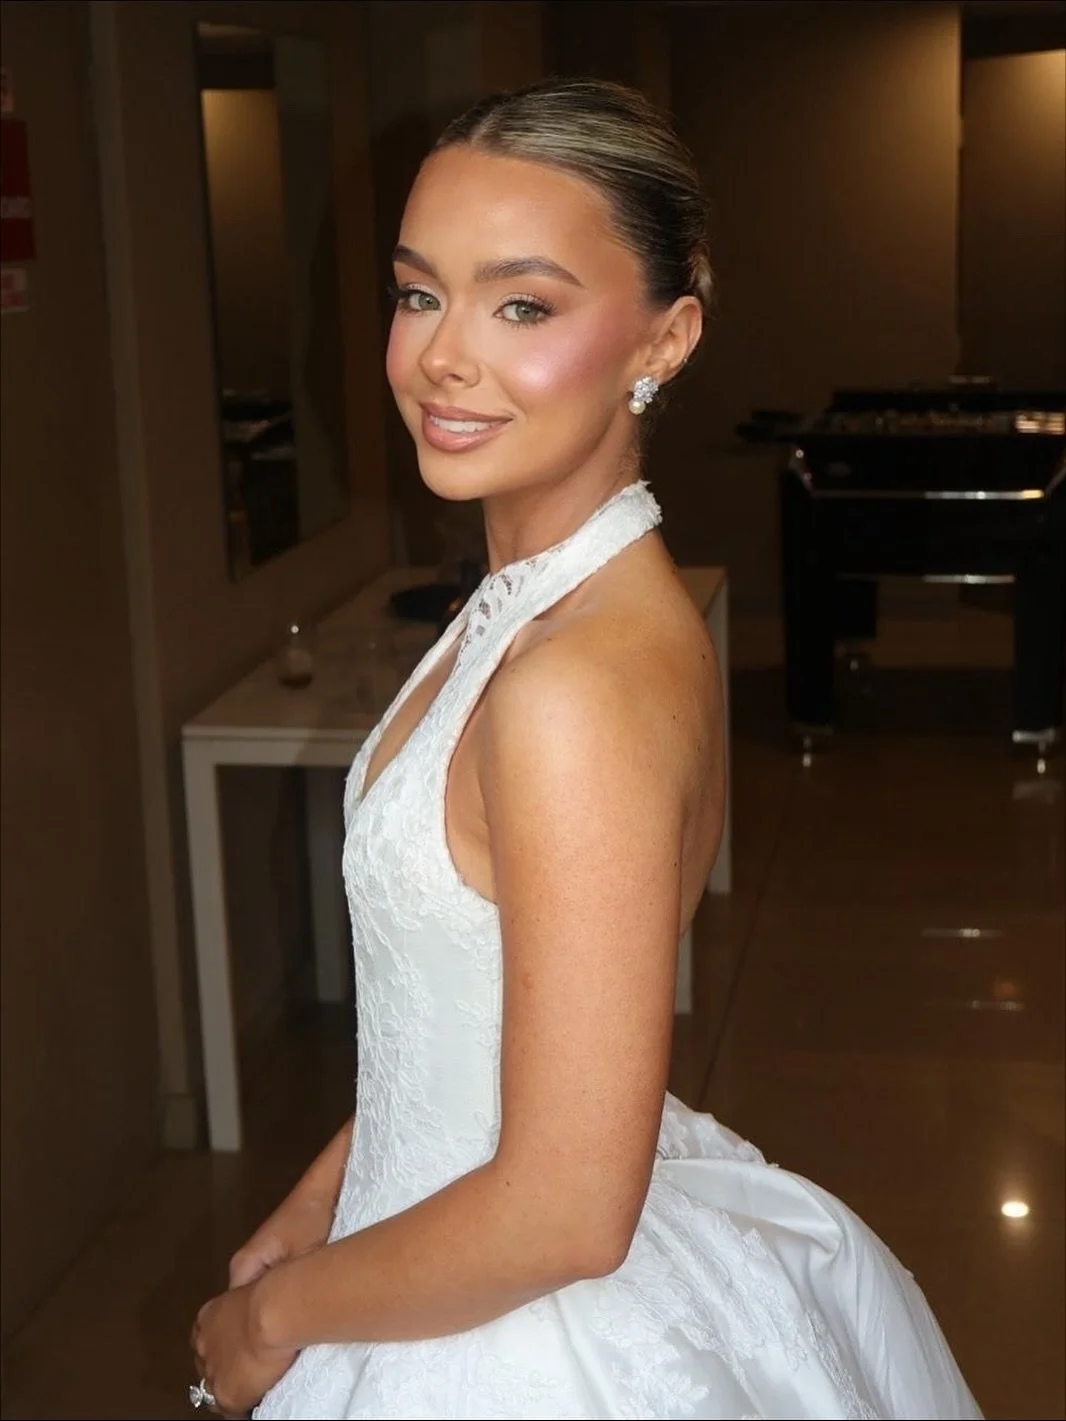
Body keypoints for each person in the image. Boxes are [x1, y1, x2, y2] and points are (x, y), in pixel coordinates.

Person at [189, 78, 982, 1421]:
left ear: (661, 340)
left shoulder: (573, 689)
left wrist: (261, 1322)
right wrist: (313, 1205)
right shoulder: (561, 603)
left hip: (509, 1333)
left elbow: (561, 1212)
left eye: (523, 305)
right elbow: (479, 1012)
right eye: (416, 292)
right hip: (428, 1226)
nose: (441, 357)